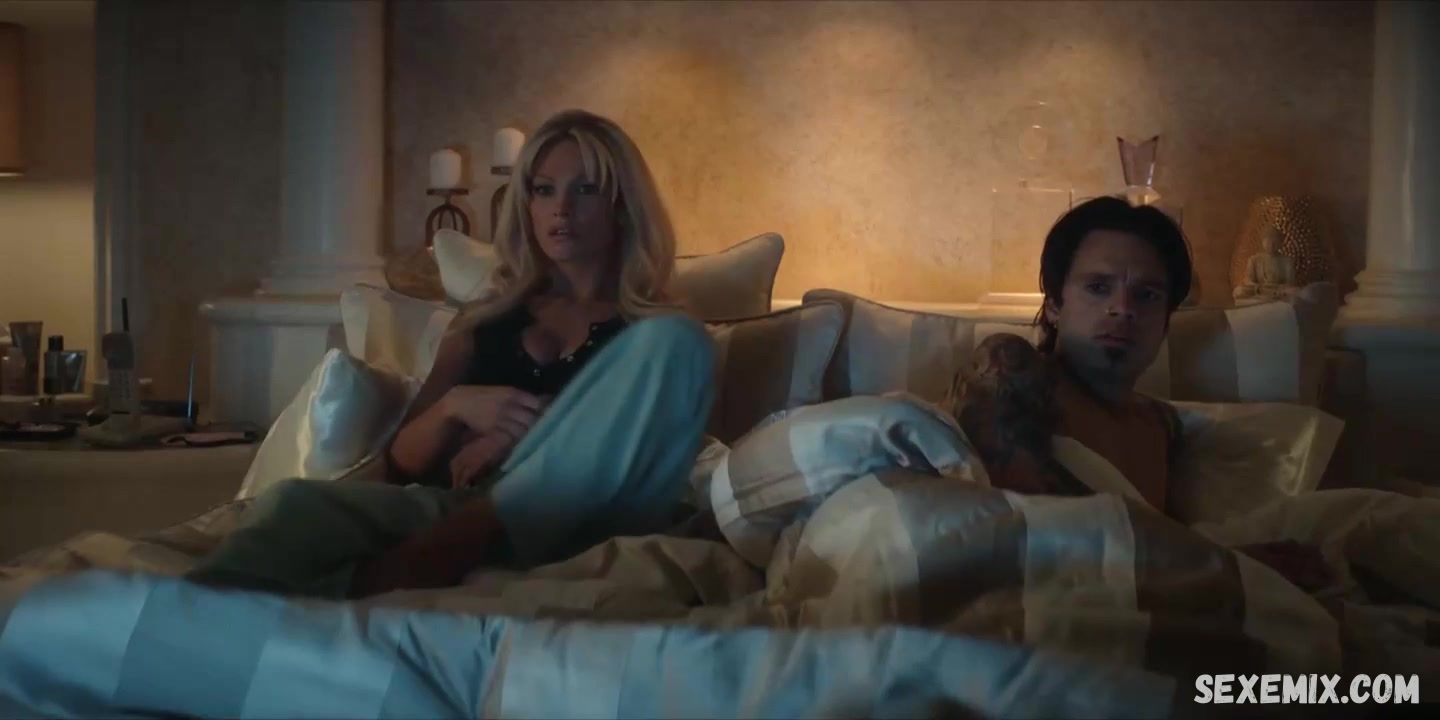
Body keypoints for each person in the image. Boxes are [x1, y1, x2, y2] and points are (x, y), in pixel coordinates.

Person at [187, 109, 716, 599]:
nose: (562, 208)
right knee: (290, 506)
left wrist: (535, 434)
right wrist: (457, 407)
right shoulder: (485, 322)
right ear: (526, 204)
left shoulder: (655, 337)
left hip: (584, 517)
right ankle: (177, 623)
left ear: (621, 205)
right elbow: (399, 466)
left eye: (586, 189)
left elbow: (664, 453)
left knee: (679, 339)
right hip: (456, 507)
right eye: (544, 190)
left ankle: (434, 556)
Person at [948, 196, 1331, 591]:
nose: (1123, 308)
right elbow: (1019, 530)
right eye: (1098, 287)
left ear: (1165, 323)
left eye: (1147, 295)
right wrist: (1227, 565)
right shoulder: (1010, 368)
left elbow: (1171, 545)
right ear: (1054, 307)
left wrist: (1248, 560)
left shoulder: (1161, 427)